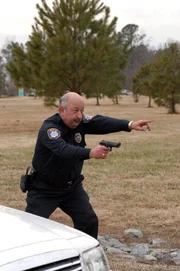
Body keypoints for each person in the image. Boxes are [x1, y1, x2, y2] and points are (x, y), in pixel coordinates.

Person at [25, 92, 151, 239]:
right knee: (33, 229)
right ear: (62, 110)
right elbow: (63, 150)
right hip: (44, 189)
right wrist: (91, 152)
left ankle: (86, 255)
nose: (80, 115)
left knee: (88, 221)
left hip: (71, 188)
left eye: (82, 111)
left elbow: (101, 122)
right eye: (75, 110)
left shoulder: (79, 122)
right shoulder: (50, 129)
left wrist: (129, 124)